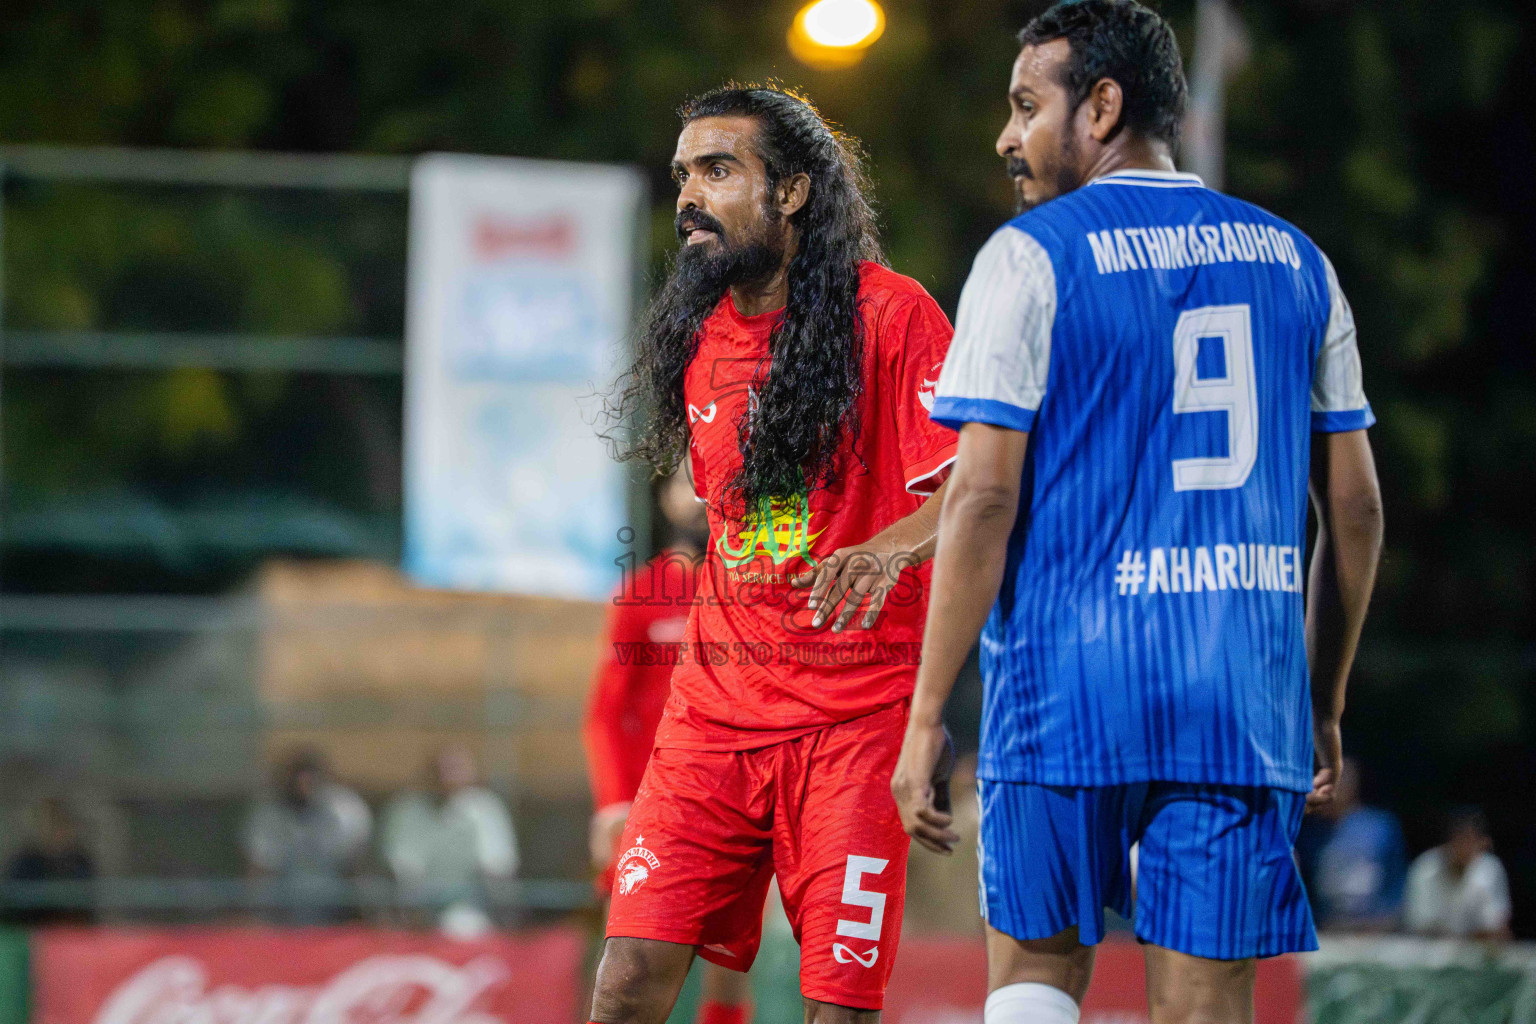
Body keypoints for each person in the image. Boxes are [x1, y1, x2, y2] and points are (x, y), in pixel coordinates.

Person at [889, 3, 1385, 1023]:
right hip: (1236, 702)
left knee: (1037, 978)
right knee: (1204, 1005)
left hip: (1066, 690)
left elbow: (982, 495)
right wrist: (1320, 700)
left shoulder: (1029, 257)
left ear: (1103, 106)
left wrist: (929, 709)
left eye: (1028, 106)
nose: (1007, 138)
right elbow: (1358, 510)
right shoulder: (1300, 261)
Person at [595, 85, 959, 1024]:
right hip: (711, 721)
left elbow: (981, 487)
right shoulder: (699, 337)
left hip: (854, 720)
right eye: (683, 175)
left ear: (792, 191)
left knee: (835, 1007)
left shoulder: (895, 315)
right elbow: (745, 525)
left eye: (718, 170)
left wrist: (891, 546)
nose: (690, 196)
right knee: (628, 978)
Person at [585, 468, 756, 1024]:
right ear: (666, 497)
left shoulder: (752, 587)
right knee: (629, 962)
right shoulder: (641, 596)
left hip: (734, 798)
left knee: (728, 972)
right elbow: (607, 711)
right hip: (649, 805)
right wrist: (613, 801)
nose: (705, 491)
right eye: (691, 479)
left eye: (717, 476)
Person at [381, 745, 518, 936]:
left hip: (470, 911)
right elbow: (402, 869)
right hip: (411, 912)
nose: (446, 777)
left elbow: (497, 867)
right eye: (440, 770)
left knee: (460, 928)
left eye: (455, 769)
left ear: (470, 773)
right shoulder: (406, 810)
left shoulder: (485, 809)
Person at [244, 746, 372, 923]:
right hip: (283, 915)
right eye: (297, 777)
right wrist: (258, 917)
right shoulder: (268, 814)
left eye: (311, 777)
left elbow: (357, 869)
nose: (304, 784)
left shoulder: (346, 809)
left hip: (337, 910)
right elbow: (260, 874)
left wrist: (362, 918)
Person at [1301, 757, 1407, 931]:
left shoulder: (1380, 826)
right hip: (1329, 929)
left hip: (1376, 927)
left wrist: (1388, 919)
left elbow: (1396, 880)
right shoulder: (1310, 833)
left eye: (1342, 780)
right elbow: (1306, 888)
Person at [1405, 807, 1513, 940]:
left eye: (1470, 840)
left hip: (1475, 951)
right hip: (1430, 953)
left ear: (1483, 843)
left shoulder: (1491, 869)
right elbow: (1418, 927)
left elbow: (1497, 930)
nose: (1464, 847)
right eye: (1460, 840)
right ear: (1449, 842)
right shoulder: (1425, 868)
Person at [3, 797, 96, 926]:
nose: (56, 832)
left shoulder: (80, 860)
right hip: (32, 931)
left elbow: (88, 900)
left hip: (73, 934)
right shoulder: (26, 861)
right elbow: (14, 902)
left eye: (60, 824)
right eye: (50, 825)